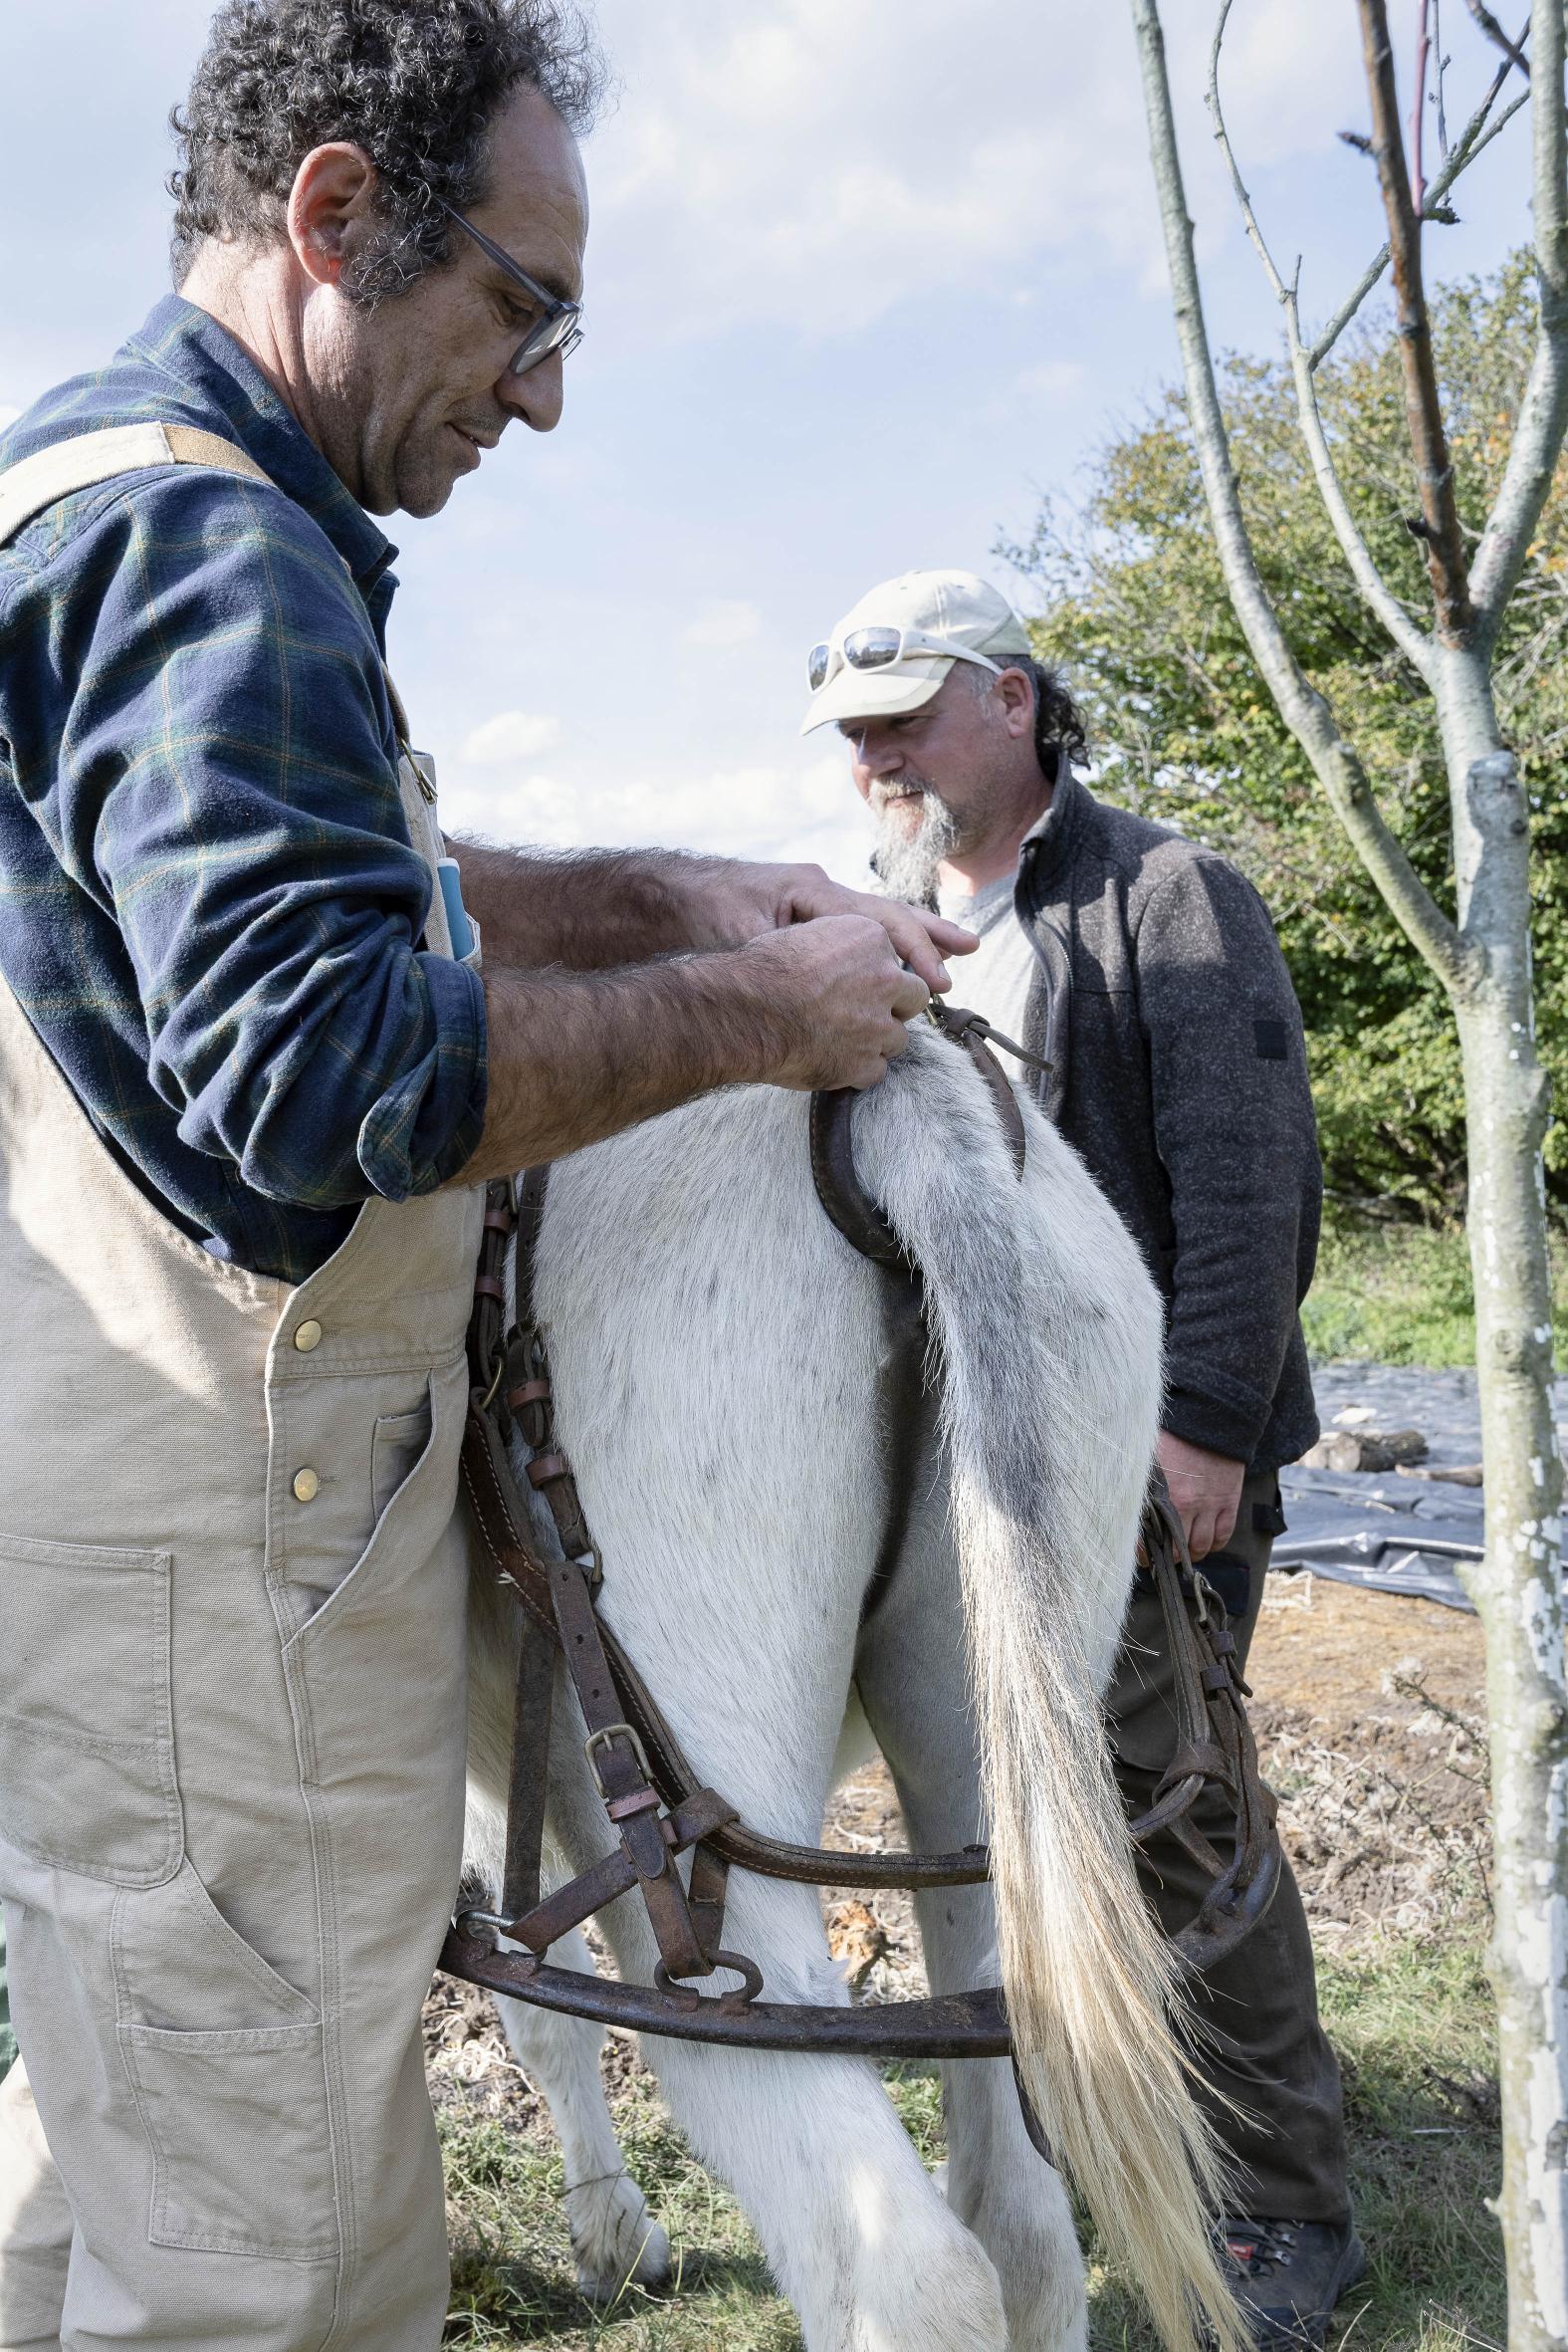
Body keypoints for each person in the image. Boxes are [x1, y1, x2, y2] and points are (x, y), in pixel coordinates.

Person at [0, 11, 975, 2347]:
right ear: (336, 217)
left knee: (120, 2136)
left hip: (126, 1524)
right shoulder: (209, 541)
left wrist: (663, 901)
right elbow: (318, 1058)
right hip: (229, 1544)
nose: (538, 396)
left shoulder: (105, 487)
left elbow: (340, 899)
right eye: (520, 308)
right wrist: (764, 1016)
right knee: (272, 2258)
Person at [804, 567, 1364, 2349]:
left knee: (1173, 1812)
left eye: (903, 716)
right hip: (966, 1474)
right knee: (1027, 1828)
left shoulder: (1164, 897)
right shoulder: (879, 923)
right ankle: (1081, 2146)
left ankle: (1283, 2204)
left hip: (1146, 1463)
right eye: (853, 733)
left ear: (1016, 699)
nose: (874, 755)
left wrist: (1203, 1426)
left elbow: (1252, 1178)